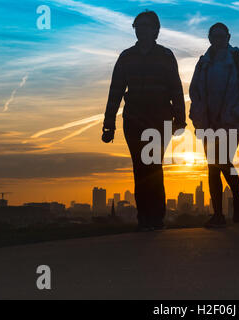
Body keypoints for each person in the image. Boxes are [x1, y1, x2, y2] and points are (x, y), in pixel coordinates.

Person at [102, 10, 186, 231]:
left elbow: (176, 89)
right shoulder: (126, 57)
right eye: (138, 26)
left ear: (155, 30)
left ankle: (156, 218)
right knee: (140, 168)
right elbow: (115, 90)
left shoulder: (166, 56)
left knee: (153, 166)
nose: (141, 29)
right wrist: (108, 123)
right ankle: (144, 218)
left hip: (160, 119)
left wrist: (181, 119)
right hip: (134, 119)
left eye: (146, 26)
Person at [189, 23, 239, 228]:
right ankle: (218, 213)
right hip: (208, 123)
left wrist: (237, 114)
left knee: (222, 162)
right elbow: (195, 92)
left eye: (222, 36)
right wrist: (198, 117)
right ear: (209, 38)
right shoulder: (203, 63)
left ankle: (237, 198)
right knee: (213, 167)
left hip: (230, 122)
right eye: (214, 36)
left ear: (228, 37)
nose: (218, 40)